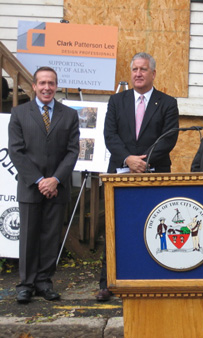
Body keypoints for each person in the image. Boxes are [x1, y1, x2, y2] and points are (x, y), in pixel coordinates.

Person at [97, 52, 179, 301]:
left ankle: (152, 278)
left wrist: (144, 161)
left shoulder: (167, 102)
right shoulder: (116, 101)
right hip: (120, 175)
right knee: (114, 226)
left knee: (155, 226)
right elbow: (110, 135)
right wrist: (128, 160)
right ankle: (107, 282)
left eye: (143, 69)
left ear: (153, 73)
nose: (138, 74)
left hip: (154, 173)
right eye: (134, 69)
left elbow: (169, 138)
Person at [8, 66, 80, 304]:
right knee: (28, 236)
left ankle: (44, 282)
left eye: (51, 83)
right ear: (34, 86)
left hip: (57, 187)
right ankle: (26, 284)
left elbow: (72, 152)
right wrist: (40, 180)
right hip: (31, 187)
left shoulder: (68, 115)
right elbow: (16, 151)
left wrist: (55, 179)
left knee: (50, 237)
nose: (47, 87)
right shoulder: (19, 113)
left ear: (56, 86)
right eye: (42, 83)